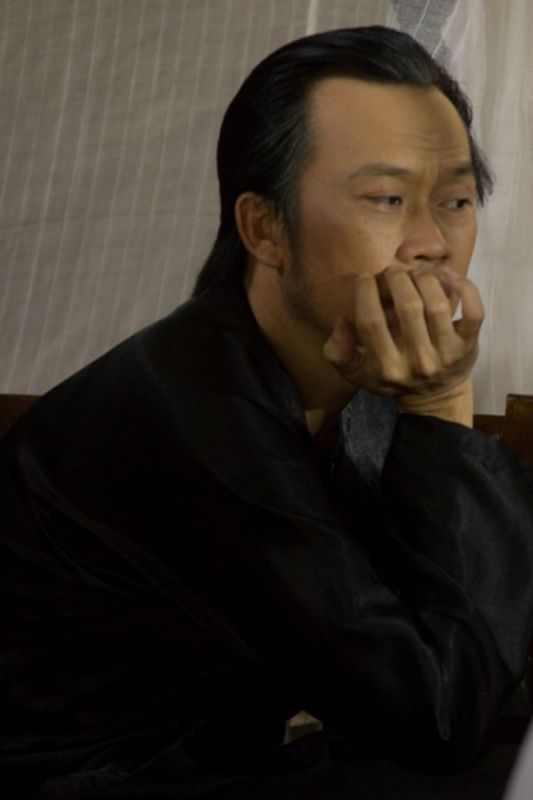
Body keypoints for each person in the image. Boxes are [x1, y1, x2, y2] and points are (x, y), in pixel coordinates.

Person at [1, 25, 532, 800]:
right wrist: (441, 401)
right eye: (386, 199)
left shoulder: (354, 372)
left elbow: (469, 664)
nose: (431, 244)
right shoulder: (185, 413)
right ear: (264, 229)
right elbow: (440, 717)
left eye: (453, 200)